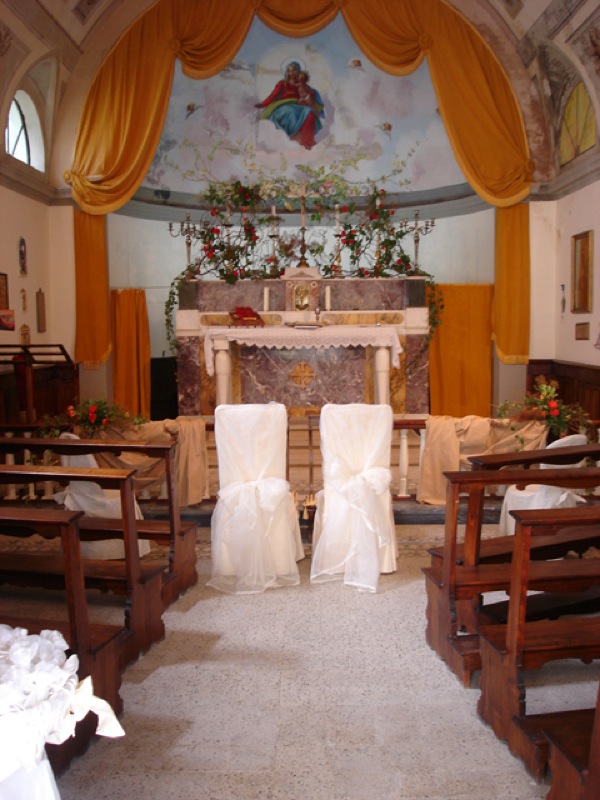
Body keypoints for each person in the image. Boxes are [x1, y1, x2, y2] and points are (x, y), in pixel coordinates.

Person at [255, 61, 324, 150]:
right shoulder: (282, 84)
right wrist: (263, 104)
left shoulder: (302, 84)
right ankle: (288, 140)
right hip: (284, 106)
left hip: (299, 106)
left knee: (310, 113)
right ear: (287, 72)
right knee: (291, 113)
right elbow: (273, 96)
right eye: (290, 71)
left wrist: (310, 94)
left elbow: (310, 94)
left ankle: (307, 142)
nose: (292, 73)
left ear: (299, 71)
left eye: (294, 70)